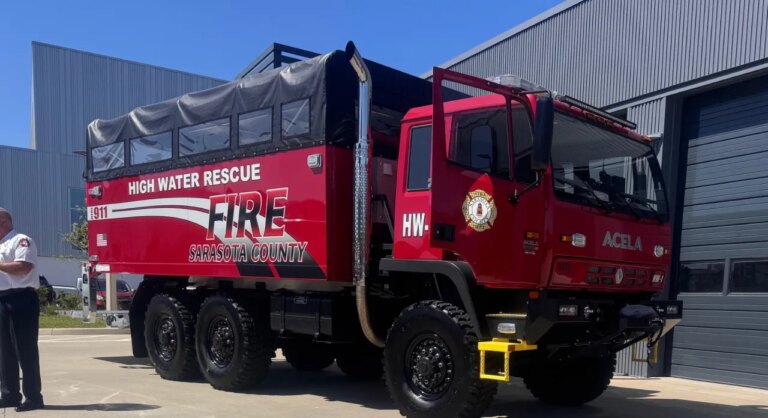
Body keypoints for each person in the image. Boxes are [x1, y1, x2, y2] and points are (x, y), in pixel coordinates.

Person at [0, 208, 44, 412]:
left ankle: (34, 397)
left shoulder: (21, 240)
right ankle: (9, 395)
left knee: (24, 350)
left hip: (21, 298)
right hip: (2, 298)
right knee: (4, 351)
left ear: (4, 222)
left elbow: (23, 267)